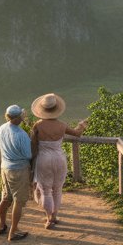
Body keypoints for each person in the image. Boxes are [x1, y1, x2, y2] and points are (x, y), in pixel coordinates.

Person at [29, 92, 87, 228]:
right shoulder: (62, 125)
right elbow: (77, 134)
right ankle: (54, 217)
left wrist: (31, 162)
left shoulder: (37, 125)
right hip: (59, 158)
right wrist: (82, 125)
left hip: (43, 159)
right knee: (57, 189)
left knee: (45, 190)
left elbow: (33, 144)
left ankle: (49, 219)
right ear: (56, 109)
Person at [0, 104, 32, 241]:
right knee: (18, 200)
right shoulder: (21, 135)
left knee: (5, 198)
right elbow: (28, 155)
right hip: (18, 170)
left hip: (5, 168)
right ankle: (13, 231)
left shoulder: (2, 128)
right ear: (19, 118)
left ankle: (1, 225)